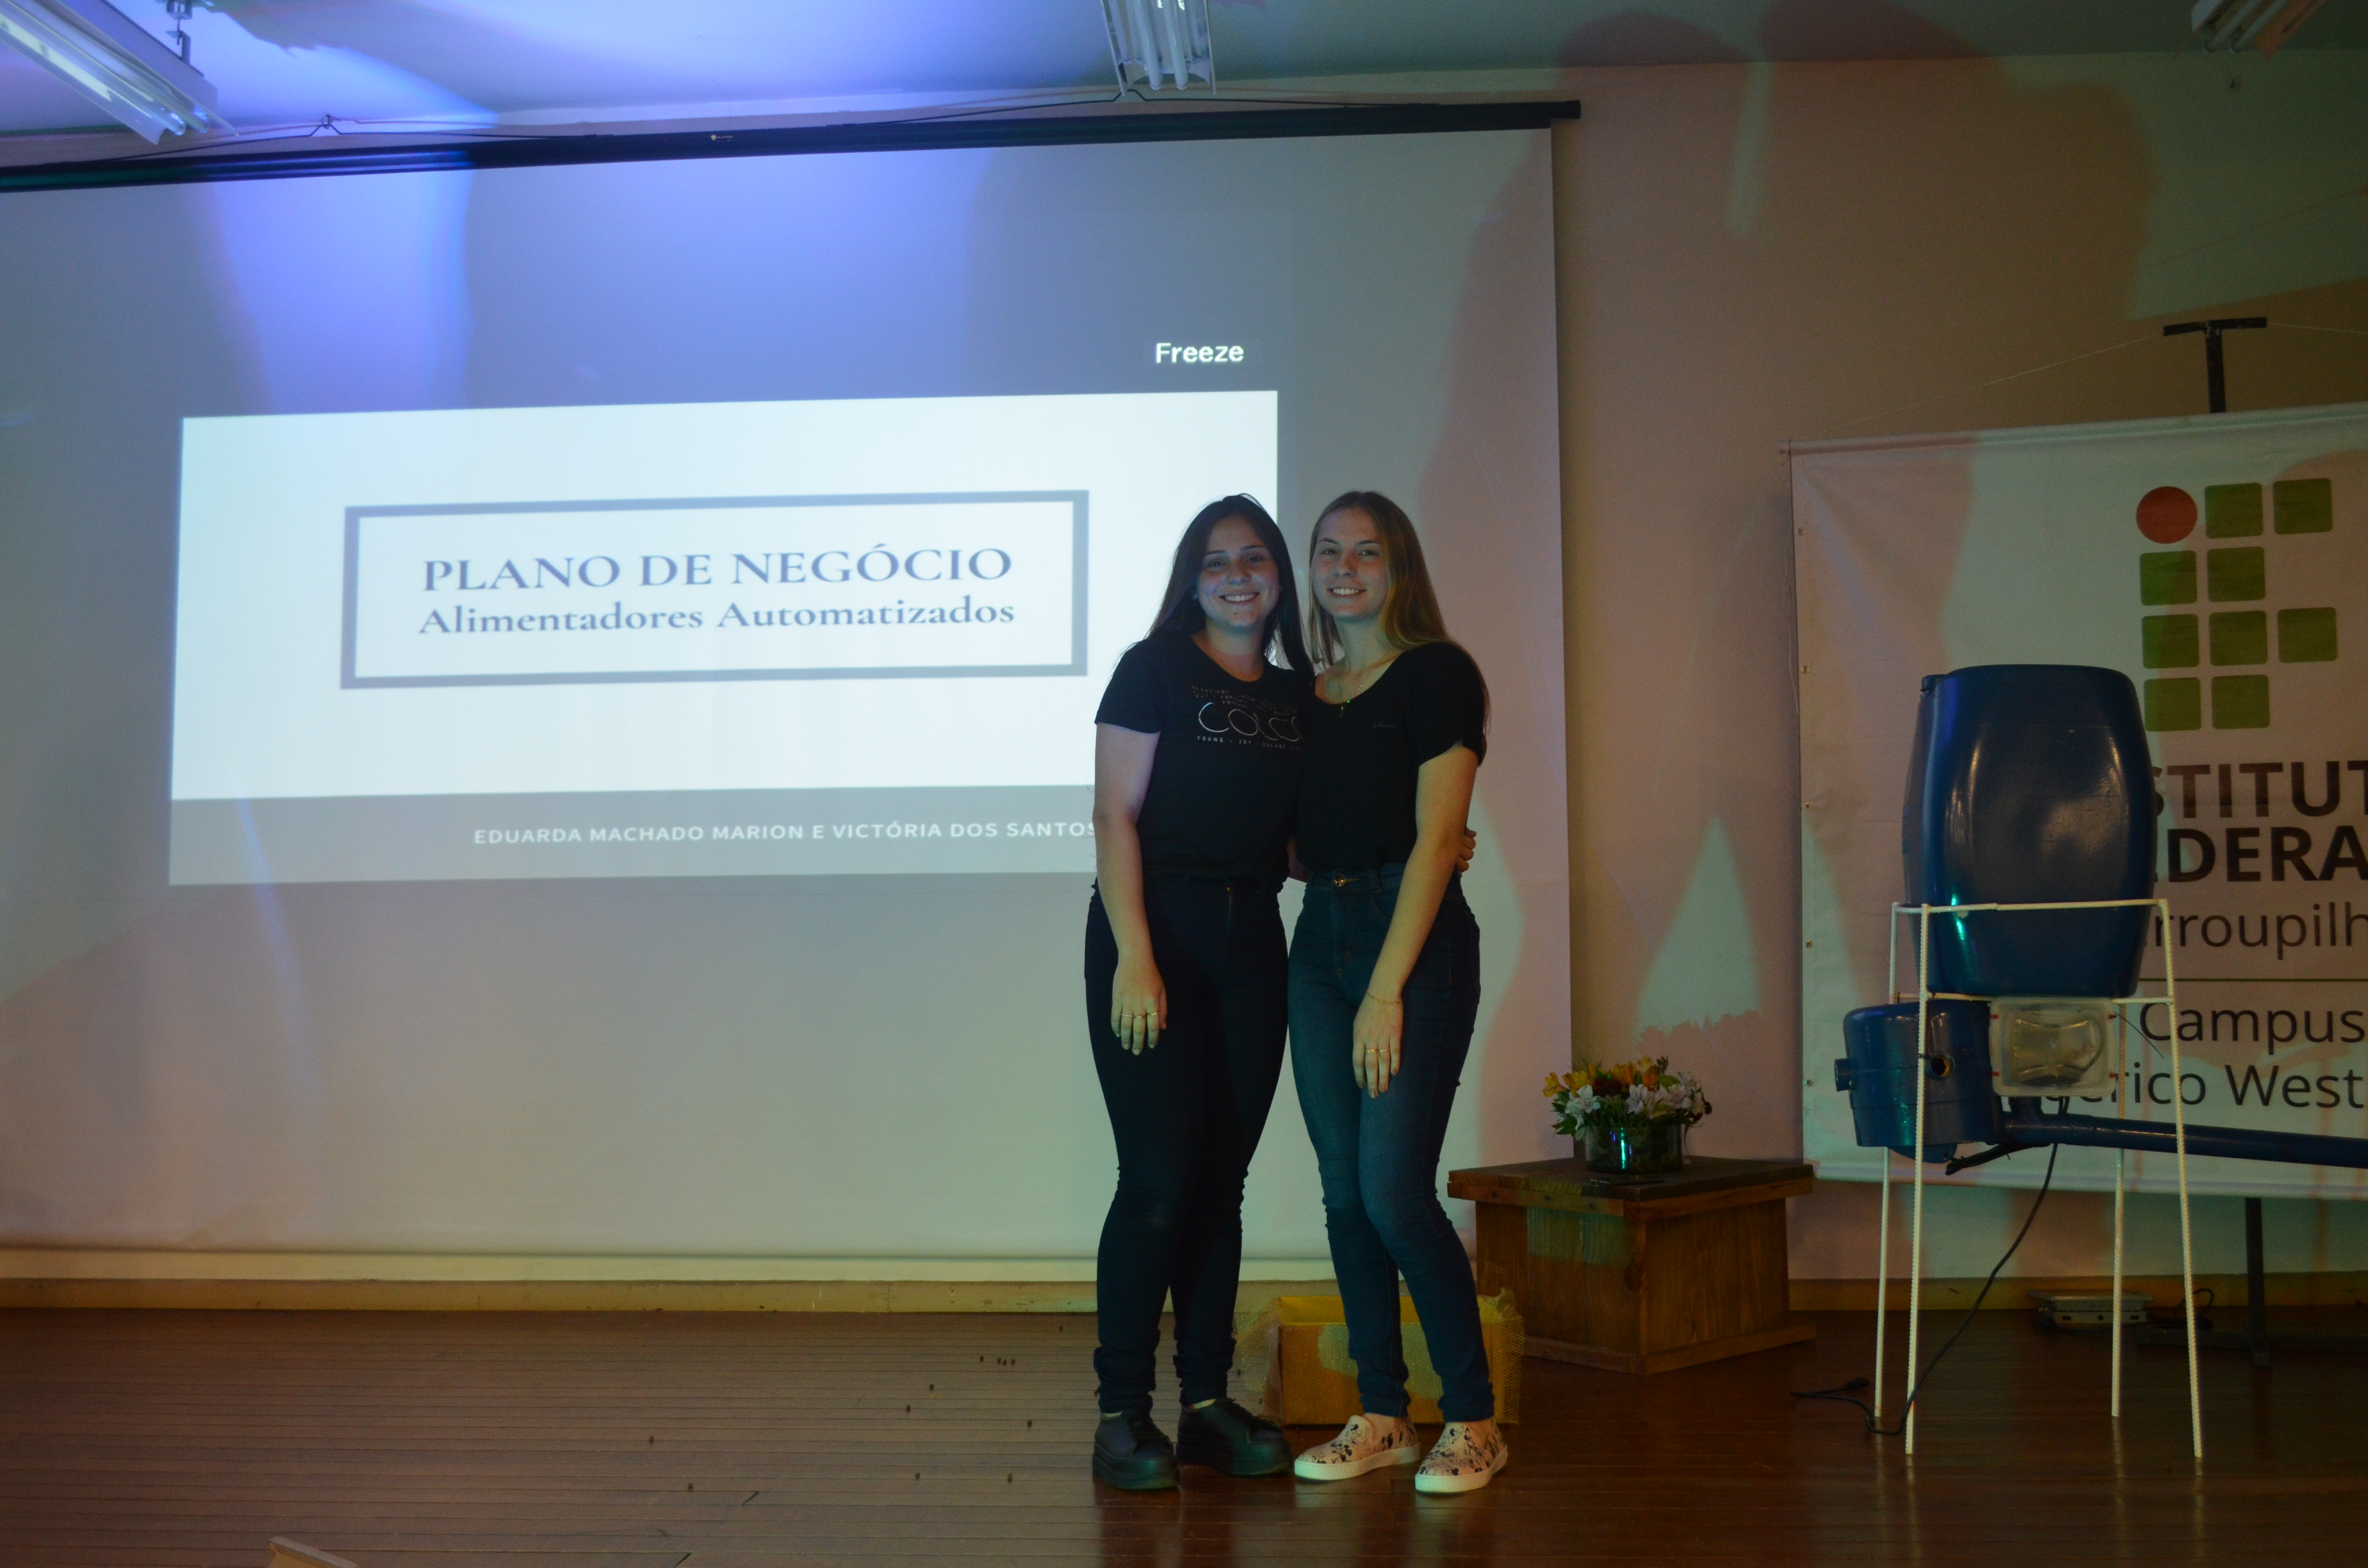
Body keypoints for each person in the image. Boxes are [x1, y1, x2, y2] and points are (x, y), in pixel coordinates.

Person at [1084, 496, 1311, 1490]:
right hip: (1154, 933)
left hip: (1254, 939)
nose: (1236, 576)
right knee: (1156, 1184)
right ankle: (1121, 1415)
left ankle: (1207, 1403)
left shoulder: (1299, 698)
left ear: (1278, 578)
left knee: (1222, 1186)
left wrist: (1418, 840)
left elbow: (1300, 847)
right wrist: (1136, 958)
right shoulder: (1154, 668)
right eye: (1215, 562)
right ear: (1192, 580)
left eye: (1253, 559)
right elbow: (1114, 817)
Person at [1283, 490, 1506, 1495]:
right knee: (1344, 1196)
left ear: (1399, 566)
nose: (1344, 568)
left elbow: (1436, 838)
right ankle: (1382, 1416)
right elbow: (1301, 843)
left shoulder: (1439, 673)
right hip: (1318, 938)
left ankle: (1473, 1421)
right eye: (1328, 551)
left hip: (1409, 944)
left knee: (1394, 1194)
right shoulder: (1307, 696)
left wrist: (1386, 990)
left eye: (1365, 552)